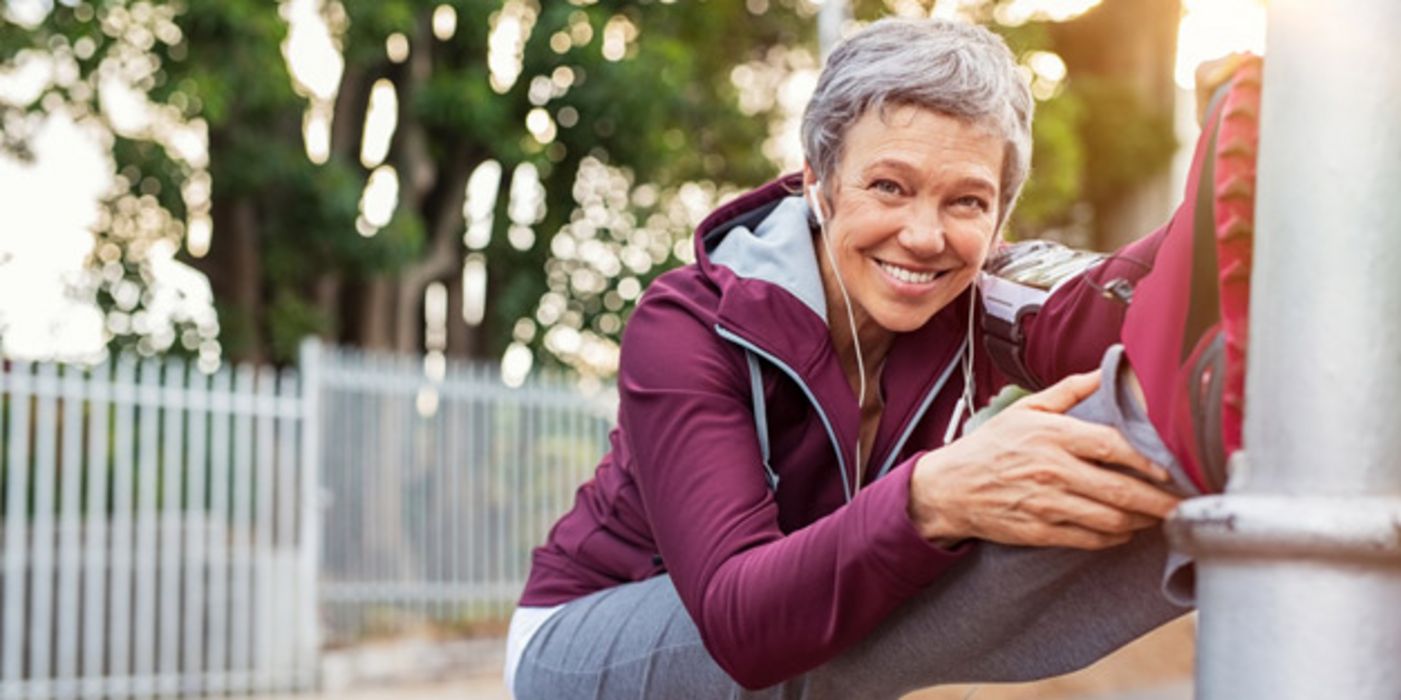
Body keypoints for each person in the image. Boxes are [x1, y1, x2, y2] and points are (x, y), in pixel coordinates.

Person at [507, 17, 1262, 699]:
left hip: (808, 625)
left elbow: (1110, 306)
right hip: (596, 640)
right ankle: (1195, 438)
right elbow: (741, 621)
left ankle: (1229, 444)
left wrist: (1259, 199)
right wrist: (931, 496)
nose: (924, 236)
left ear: (1000, 213)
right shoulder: (694, 321)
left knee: (1136, 403)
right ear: (819, 182)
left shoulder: (977, 297)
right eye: (888, 187)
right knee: (927, 543)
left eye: (965, 202)